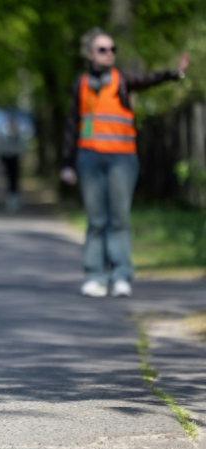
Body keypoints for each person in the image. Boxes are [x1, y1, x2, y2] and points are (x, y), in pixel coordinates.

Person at [60, 28, 189, 298]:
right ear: (89, 54)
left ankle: (121, 275)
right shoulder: (81, 84)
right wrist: (67, 163)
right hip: (89, 158)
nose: (109, 54)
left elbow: (147, 80)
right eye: (102, 50)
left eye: (112, 49)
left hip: (122, 158)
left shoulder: (122, 81)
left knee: (119, 218)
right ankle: (95, 275)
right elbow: (73, 123)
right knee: (96, 220)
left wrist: (173, 74)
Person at [0, 113, 24, 213]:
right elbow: (1, 146)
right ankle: (11, 199)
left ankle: (14, 199)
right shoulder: (4, 132)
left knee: (14, 179)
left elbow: (21, 147)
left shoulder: (18, 133)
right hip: (7, 157)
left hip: (15, 157)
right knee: (10, 178)